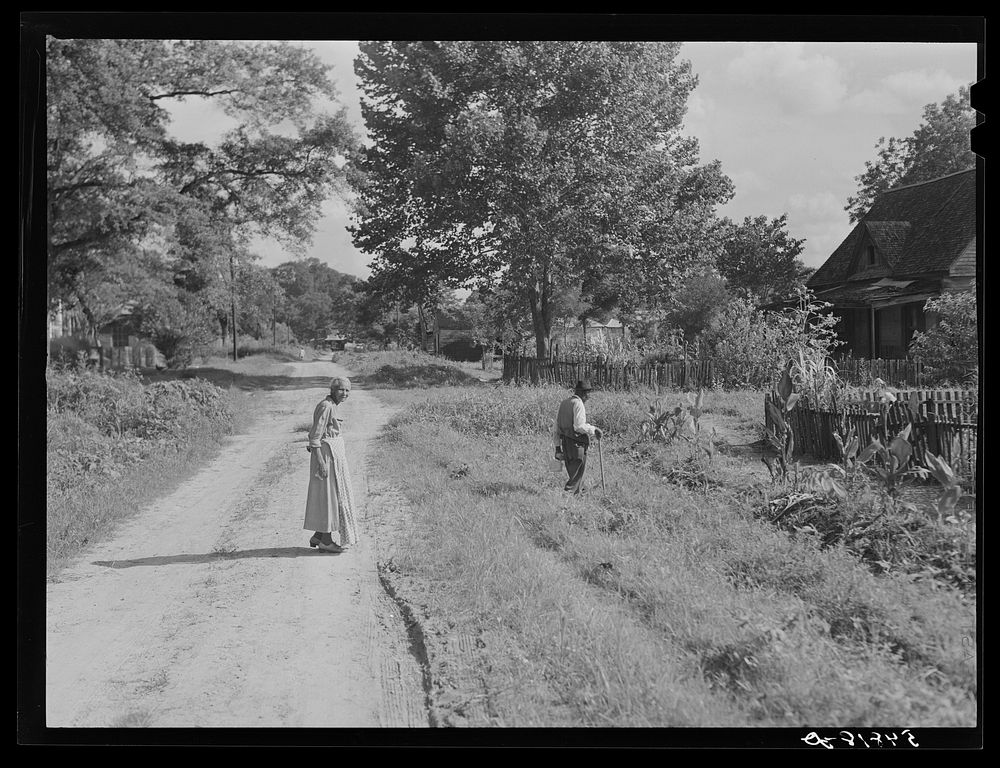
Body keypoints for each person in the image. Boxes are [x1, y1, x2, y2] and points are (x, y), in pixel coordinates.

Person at [303, 377, 358, 553]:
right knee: (328, 498)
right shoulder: (326, 406)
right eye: (341, 389)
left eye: (348, 390)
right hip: (326, 457)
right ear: (333, 390)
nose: (345, 393)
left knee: (334, 495)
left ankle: (318, 535)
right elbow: (315, 437)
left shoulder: (332, 406)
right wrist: (321, 463)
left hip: (333, 456)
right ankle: (326, 540)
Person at [554, 379, 603, 494]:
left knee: (574, 473)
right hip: (576, 444)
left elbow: (555, 428)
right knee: (576, 474)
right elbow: (579, 427)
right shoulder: (578, 404)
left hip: (566, 444)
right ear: (583, 393)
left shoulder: (564, 403)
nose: (589, 397)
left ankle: (577, 494)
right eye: (588, 393)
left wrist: (557, 448)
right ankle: (567, 495)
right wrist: (594, 429)